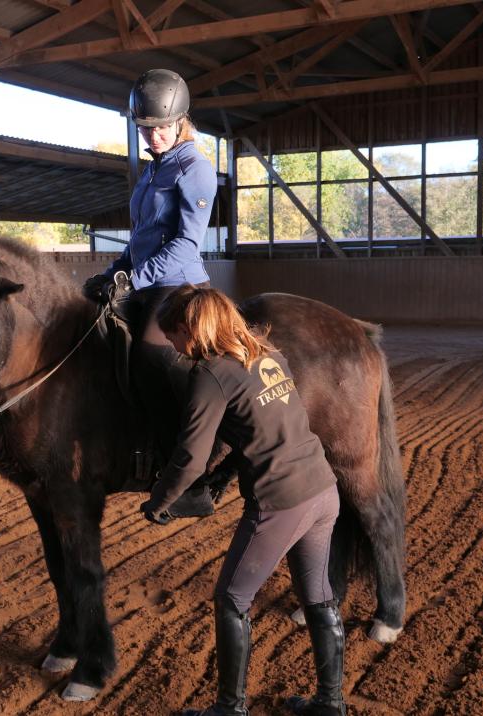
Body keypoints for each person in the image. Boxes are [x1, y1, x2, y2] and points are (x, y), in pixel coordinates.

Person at [140, 285, 347, 716]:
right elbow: (260, 428)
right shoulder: (269, 355)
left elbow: (190, 456)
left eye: (173, 337)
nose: (174, 348)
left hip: (281, 502)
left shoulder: (210, 374)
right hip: (322, 492)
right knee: (318, 597)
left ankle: (230, 709)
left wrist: (159, 500)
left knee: (231, 600)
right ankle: (331, 703)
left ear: (189, 330)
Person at [82, 69, 218, 458]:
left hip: (178, 285)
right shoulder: (152, 170)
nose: (153, 137)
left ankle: (179, 457)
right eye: (145, 129)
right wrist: (110, 276)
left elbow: (186, 243)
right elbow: (140, 239)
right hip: (145, 282)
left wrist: (134, 279)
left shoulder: (196, 169)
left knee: (149, 357)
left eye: (162, 128)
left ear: (180, 122)